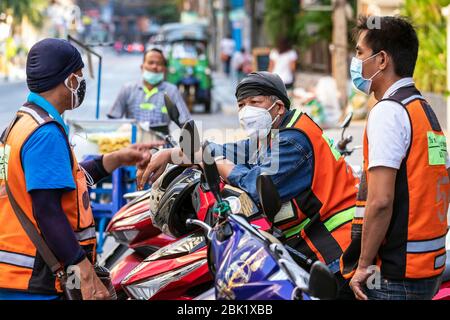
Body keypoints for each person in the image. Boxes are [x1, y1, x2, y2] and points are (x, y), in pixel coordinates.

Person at [137, 71, 359, 298]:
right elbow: (229, 150)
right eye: (241, 104)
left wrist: (217, 164)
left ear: (279, 107)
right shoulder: (272, 134)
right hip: (307, 242)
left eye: (255, 102)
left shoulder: (293, 139)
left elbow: (254, 185)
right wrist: (173, 153)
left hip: (335, 247)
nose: (246, 111)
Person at [0, 38, 160, 300]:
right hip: (34, 279)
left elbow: (67, 181)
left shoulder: (23, 122)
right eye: (79, 77)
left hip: (17, 273)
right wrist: (85, 273)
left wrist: (117, 158)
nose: (81, 83)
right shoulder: (45, 134)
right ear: (68, 80)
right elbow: (47, 210)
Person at [340, 16, 450, 300]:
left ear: (382, 60)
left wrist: (363, 265)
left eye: (360, 53)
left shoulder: (389, 112)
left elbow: (380, 201)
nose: (355, 61)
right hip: (427, 268)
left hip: (393, 276)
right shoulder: (423, 110)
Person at [107, 48, 191, 141]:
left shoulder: (171, 91)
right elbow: (113, 120)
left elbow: (185, 122)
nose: (154, 67)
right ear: (142, 67)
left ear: (164, 69)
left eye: (159, 64)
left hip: (161, 146)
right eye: (150, 63)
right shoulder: (128, 89)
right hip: (132, 145)